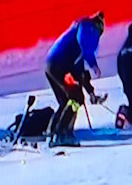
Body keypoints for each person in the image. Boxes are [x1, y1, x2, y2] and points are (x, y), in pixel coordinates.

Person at [44, 11, 107, 147]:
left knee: (66, 100)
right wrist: (94, 65)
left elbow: (80, 73)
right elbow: (85, 47)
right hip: (58, 65)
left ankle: (53, 132)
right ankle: (61, 134)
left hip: (53, 65)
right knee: (76, 99)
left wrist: (91, 92)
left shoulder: (76, 42)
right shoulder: (86, 27)